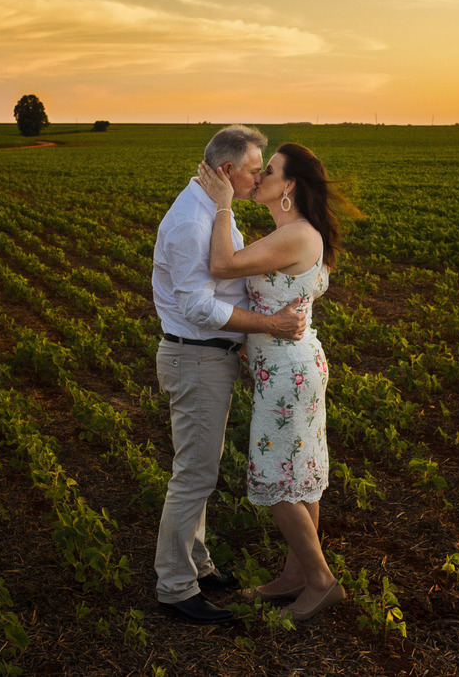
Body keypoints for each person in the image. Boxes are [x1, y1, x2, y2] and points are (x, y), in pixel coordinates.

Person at [152, 125, 309, 625]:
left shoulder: (212, 210)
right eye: (254, 169)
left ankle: (197, 565)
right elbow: (198, 307)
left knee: (201, 467)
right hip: (196, 357)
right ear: (227, 170)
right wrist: (270, 326)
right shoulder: (191, 222)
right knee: (194, 474)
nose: (259, 177)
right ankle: (175, 587)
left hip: (208, 357)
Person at [194, 142, 347, 622]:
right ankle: (294, 576)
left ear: (290, 186)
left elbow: (221, 265)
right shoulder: (294, 233)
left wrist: (223, 204)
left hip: (287, 374)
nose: (260, 178)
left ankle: (321, 582)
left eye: (271, 171)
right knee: (299, 476)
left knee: (277, 480)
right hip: (291, 367)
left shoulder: (296, 235)